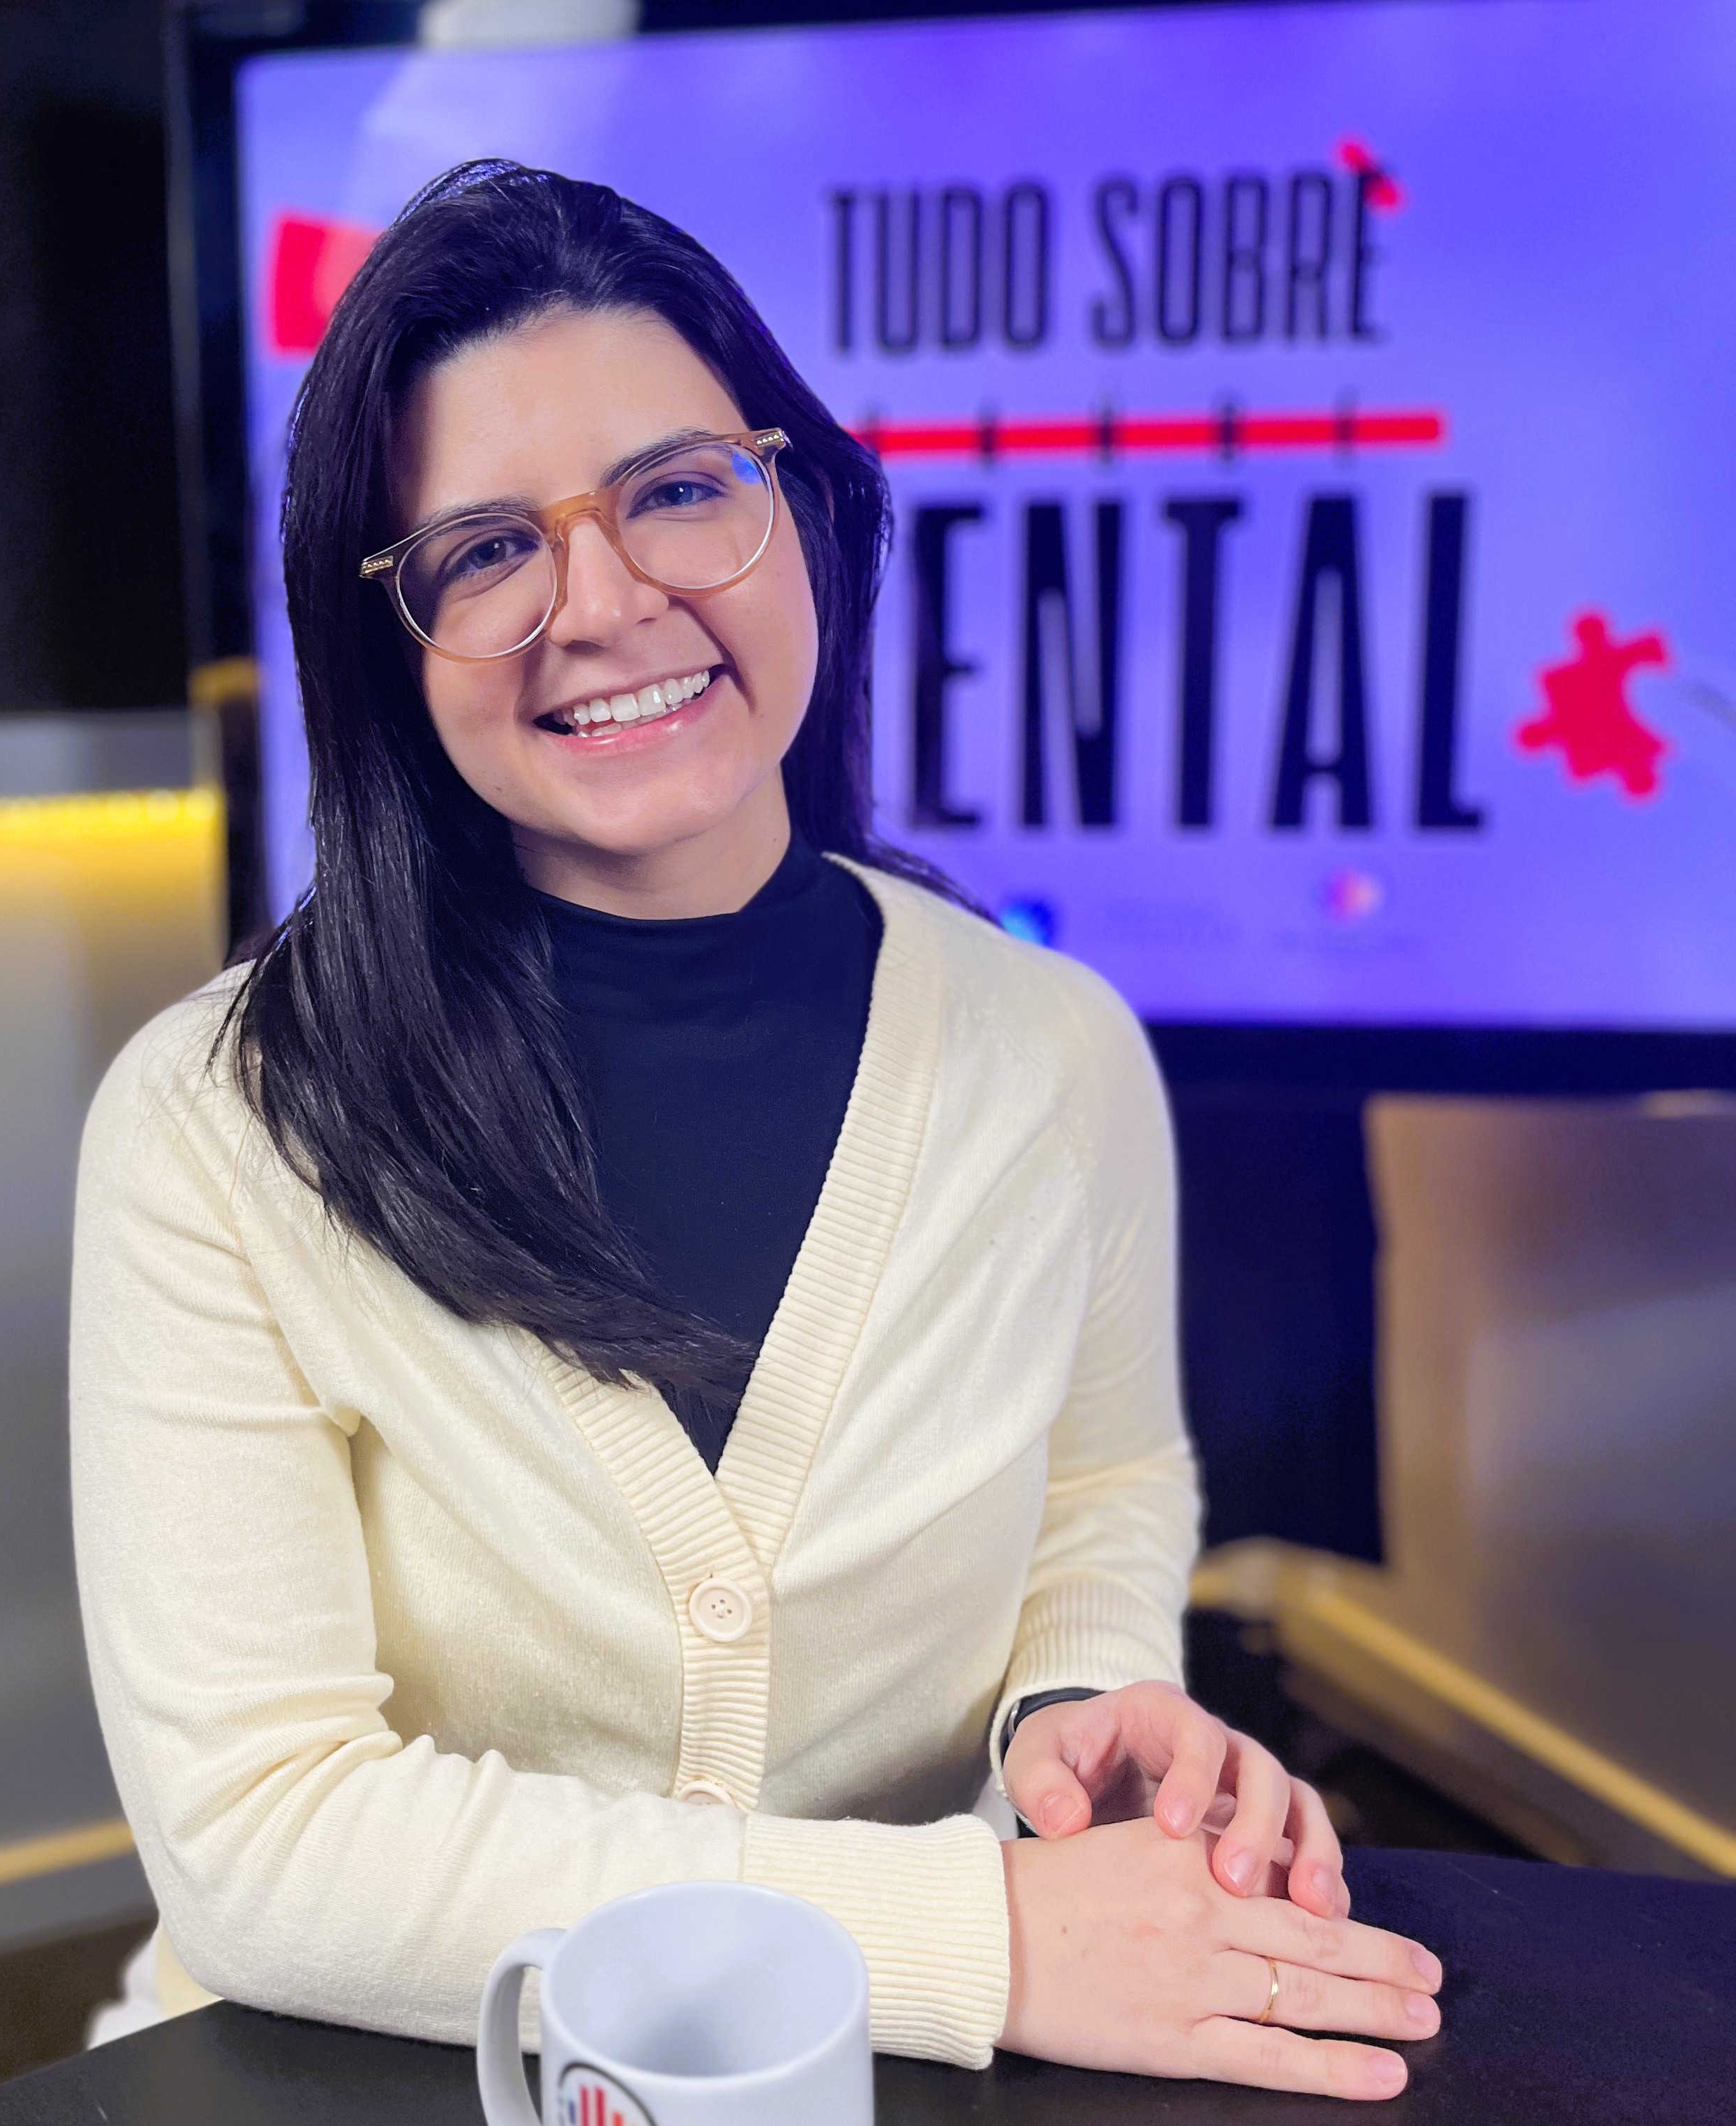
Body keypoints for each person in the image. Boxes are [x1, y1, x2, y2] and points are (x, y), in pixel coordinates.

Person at [70, 161, 1442, 2101]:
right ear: (390, 643)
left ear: (806, 510)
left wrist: (1084, 1696)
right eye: (486, 549)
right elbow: (265, 1841)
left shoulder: (1055, 1051)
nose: (606, 602)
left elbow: (1103, 1484)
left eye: (679, 489)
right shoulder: (218, 1126)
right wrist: (985, 1935)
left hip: (877, 2072)